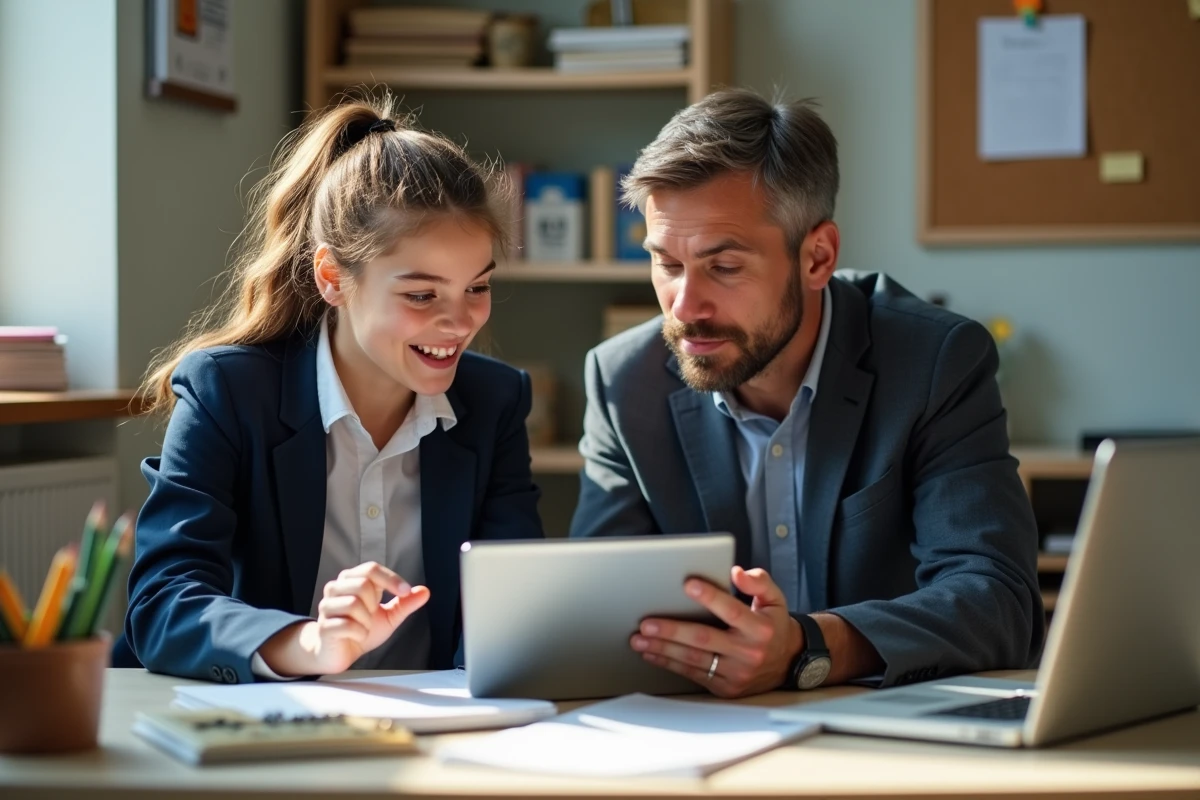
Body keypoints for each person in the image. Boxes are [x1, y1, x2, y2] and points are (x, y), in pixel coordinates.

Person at [569, 88, 1043, 698]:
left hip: (889, 739)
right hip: (702, 737)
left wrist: (806, 646)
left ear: (817, 257)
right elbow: (598, 613)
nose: (685, 306)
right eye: (667, 264)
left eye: (725, 266)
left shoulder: (934, 362)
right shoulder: (622, 381)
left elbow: (998, 601)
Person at [122, 96, 543, 683]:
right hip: (279, 734)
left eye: (476, 287)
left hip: (442, 740)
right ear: (332, 278)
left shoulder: (496, 402)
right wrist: (310, 643)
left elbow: (514, 606)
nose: (460, 322)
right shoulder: (228, 392)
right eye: (422, 295)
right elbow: (163, 604)